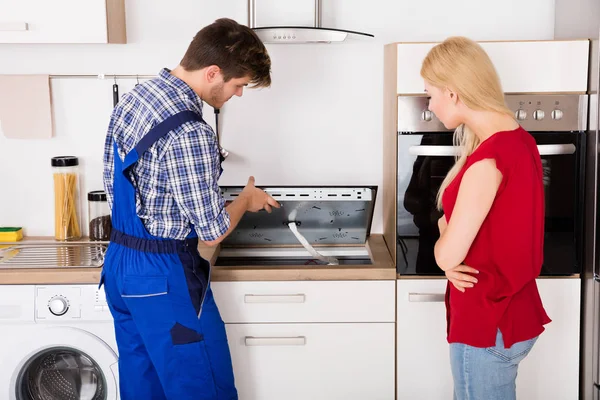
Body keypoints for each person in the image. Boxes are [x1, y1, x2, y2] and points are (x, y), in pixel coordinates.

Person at [101, 18, 279, 400]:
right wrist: (245, 200)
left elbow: (116, 183)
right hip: (163, 278)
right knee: (203, 389)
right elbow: (212, 230)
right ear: (212, 72)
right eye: (238, 85)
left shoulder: (138, 95)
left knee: (143, 389)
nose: (239, 94)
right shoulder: (192, 131)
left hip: (120, 268)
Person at [421, 36, 551, 400]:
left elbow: (447, 252)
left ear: (452, 92)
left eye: (430, 93)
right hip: (513, 312)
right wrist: (448, 229)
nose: (430, 105)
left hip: (487, 321)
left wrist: (444, 253)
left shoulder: (487, 160)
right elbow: (460, 223)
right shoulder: (520, 141)